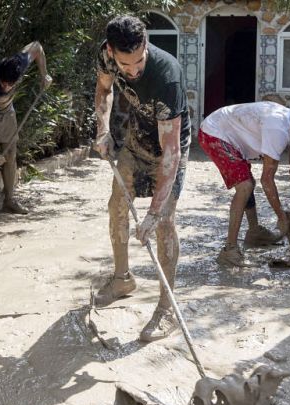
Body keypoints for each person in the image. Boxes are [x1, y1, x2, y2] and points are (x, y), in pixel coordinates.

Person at [91, 16, 190, 342]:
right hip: (136, 140)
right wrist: (103, 129)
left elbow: (171, 154)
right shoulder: (106, 55)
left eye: (139, 61)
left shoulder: (167, 77)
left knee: (164, 222)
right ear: (111, 51)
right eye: (125, 64)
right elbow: (104, 89)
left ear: (146, 45)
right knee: (117, 206)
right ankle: (122, 279)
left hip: (169, 149)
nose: (132, 71)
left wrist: (153, 212)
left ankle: (166, 308)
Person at [198, 102, 290, 267]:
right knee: (245, 185)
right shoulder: (278, 129)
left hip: (229, 132)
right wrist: (281, 217)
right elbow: (267, 180)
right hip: (214, 131)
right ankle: (229, 250)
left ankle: (254, 232)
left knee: (248, 182)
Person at [0, 41, 52, 219]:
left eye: (10, 85)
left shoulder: (19, 63)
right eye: (3, 83)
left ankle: (9, 200)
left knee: (11, 153)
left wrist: (44, 75)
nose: (6, 87)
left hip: (6, 111)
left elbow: (37, 47)